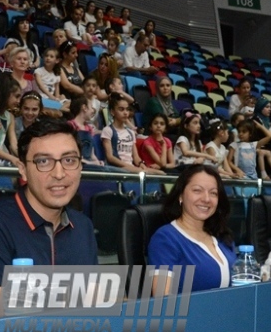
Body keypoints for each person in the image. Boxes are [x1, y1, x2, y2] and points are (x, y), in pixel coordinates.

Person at [0, 117, 99, 318]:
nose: (59, 174)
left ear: (80, 166)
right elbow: (7, 322)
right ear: (23, 169)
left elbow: (93, 307)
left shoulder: (83, 226)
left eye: (69, 160)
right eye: (44, 162)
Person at [148, 165, 236, 293]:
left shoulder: (222, 235)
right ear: (181, 195)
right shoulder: (165, 239)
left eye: (213, 193)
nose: (206, 199)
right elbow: (162, 300)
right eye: (197, 190)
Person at [101, 93, 164, 174]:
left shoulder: (130, 133)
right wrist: (129, 167)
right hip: (116, 168)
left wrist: (141, 164)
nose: (125, 112)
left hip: (131, 168)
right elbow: (110, 157)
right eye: (121, 109)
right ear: (112, 112)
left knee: (161, 173)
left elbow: (136, 157)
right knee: (149, 173)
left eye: (127, 109)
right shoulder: (108, 130)